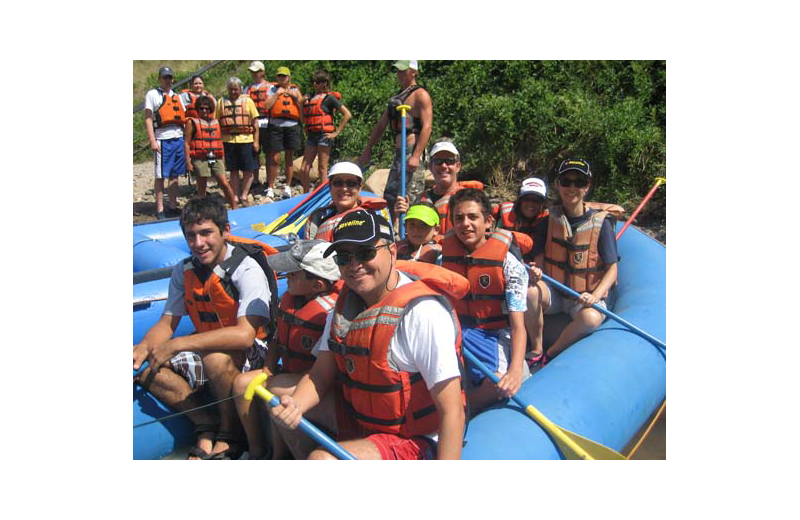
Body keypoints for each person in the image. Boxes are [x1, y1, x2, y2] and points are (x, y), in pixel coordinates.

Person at [268, 210, 468, 459]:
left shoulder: (422, 313)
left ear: (392, 251)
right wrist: (295, 404)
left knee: (321, 458)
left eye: (365, 253)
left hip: (414, 437)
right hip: (363, 418)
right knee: (276, 394)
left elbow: (452, 410)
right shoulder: (345, 306)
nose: (354, 265)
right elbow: (320, 375)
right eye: (344, 257)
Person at [133, 195, 279, 459]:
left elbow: (245, 335)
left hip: (253, 352)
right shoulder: (184, 270)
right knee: (145, 367)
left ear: (226, 231)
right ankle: (205, 421)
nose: (198, 243)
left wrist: (177, 344)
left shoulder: (246, 268)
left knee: (213, 358)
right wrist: (144, 347)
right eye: (191, 236)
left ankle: (230, 435)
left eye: (206, 233)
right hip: (207, 344)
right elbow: (167, 324)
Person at [232, 239, 341, 460]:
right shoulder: (291, 299)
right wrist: (268, 368)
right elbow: (277, 339)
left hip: (317, 382)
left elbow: (325, 369)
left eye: (292, 275)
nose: (285, 278)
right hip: (289, 372)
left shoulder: (330, 314)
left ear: (317, 285)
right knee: (241, 384)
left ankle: (279, 455)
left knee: (275, 390)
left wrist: (279, 379)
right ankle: (257, 450)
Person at [440, 188, 531, 415]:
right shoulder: (445, 259)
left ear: (488, 222)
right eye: (459, 218)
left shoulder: (510, 266)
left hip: (495, 335)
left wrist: (516, 369)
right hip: (459, 332)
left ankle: (460, 409)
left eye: (473, 217)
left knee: (498, 384)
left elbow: (518, 325)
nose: (465, 224)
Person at [526, 159, 620, 366]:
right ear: (558, 185)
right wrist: (536, 273)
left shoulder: (602, 225)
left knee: (591, 319)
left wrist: (595, 296)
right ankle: (536, 349)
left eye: (579, 182)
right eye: (566, 181)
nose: (572, 188)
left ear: (587, 187)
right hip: (557, 292)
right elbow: (540, 260)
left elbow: (612, 270)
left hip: (584, 296)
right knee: (531, 291)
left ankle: (550, 353)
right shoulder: (547, 222)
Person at [358, 60, 433, 222]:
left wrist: (416, 155)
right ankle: (391, 235)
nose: (399, 75)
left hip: (412, 154)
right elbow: (380, 126)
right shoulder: (396, 99)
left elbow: (427, 127)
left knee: (410, 198)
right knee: (390, 197)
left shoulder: (421, 95)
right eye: (398, 71)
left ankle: (412, 235)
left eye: (403, 71)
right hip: (398, 156)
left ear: (414, 72)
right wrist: (367, 150)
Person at [395, 139, 484, 235]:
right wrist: (404, 216)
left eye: (449, 161)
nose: (444, 166)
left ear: (458, 167)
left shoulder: (470, 198)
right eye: (438, 161)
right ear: (430, 167)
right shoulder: (420, 200)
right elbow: (411, 236)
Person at [304, 161, 390, 242]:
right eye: (338, 183)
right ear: (330, 187)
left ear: (359, 188)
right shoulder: (318, 218)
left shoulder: (374, 217)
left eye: (351, 183)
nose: (344, 188)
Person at [144, 66, 186, 219]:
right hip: (162, 139)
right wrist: (152, 140)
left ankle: (173, 205)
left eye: (169, 77)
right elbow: (148, 118)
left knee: (175, 175)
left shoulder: (177, 96)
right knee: (161, 175)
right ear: (159, 79)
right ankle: (160, 209)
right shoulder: (153, 95)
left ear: (172, 79)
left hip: (178, 137)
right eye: (164, 77)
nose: (167, 80)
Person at [299, 69, 352, 192]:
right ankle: (306, 195)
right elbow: (303, 119)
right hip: (312, 135)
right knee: (304, 168)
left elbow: (347, 114)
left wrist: (336, 132)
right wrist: (301, 105)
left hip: (324, 135)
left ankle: (322, 195)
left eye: (316, 82)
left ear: (324, 83)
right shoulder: (310, 97)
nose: (314, 84)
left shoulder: (330, 98)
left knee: (322, 168)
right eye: (313, 81)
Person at [183, 96, 237, 209]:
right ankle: (200, 213)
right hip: (200, 158)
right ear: (197, 109)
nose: (204, 111)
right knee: (202, 188)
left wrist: (223, 159)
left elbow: (220, 142)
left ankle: (235, 208)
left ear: (210, 109)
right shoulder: (192, 123)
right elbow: (187, 143)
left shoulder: (216, 122)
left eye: (207, 108)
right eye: (202, 108)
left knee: (225, 184)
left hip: (216, 157)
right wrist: (188, 162)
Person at [216, 77, 260, 207]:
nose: (233, 92)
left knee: (248, 169)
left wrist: (256, 141)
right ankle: (234, 195)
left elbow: (255, 123)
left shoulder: (248, 102)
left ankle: (244, 195)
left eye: (236, 89)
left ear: (240, 89)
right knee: (233, 170)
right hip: (228, 140)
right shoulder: (221, 102)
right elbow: (216, 121)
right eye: (231, 89)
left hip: (246, 139)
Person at [264, 66, 303, 199]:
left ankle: (287, 186)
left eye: (284, 76)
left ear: (289, 77)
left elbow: (302, 106)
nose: (282, 78)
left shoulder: (295, 89)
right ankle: (270, 186)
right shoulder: (272, 89)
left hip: (292, 126)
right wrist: (277, 94)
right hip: (276, 125)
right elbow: (267, 106)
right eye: (279, 76)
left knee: (289, 157)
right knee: (274, 158)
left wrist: (296, 97)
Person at [244, 61, 273, 188]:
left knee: (269, 154)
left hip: (267, 122)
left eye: (256, 72)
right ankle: (255, 180)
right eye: (252, 72)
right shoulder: (247, 88)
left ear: (263, 72)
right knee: (254, 153)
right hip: (253, 123)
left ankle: (269, 180)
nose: (254, 74)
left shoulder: (271, 88)